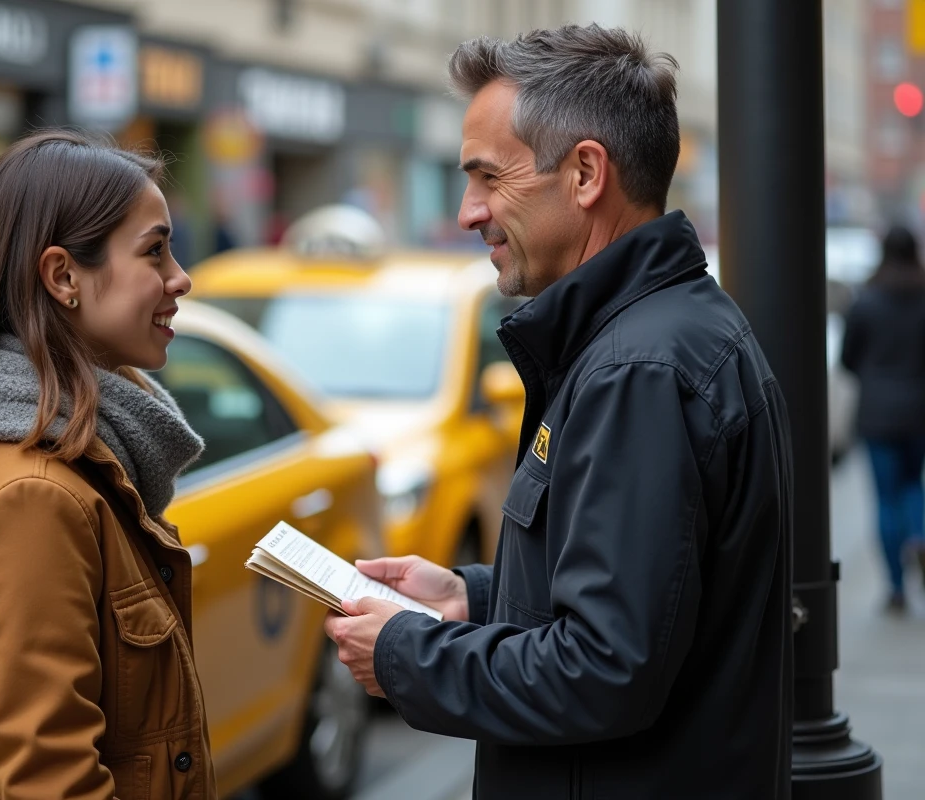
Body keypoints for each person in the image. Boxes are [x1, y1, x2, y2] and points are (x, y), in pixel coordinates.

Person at [324, 26, 793, 799]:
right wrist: (471, 599)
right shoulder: (656, 336)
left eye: (487, 177)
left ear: (584, 173)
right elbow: (650, 598)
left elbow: (606, 667)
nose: (469, 211)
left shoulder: (637, 370)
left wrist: (410, 655)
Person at [0, 130, 216, 799]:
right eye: (155, 251)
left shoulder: (62, 463)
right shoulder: (32, 497)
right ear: (62, 277)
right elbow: (52, 784)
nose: (180, 277)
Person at [842, 224, 925, 612]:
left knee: (885, 499)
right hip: (919, 411)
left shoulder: (867, 301)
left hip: (877, 413)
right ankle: (921, 537)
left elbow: (847, 358)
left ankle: (896, 587)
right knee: (913, 486)